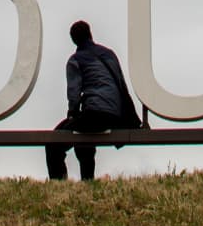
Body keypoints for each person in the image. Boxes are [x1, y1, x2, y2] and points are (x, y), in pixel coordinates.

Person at [45, 19, 141, 181]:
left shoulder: (75, 60)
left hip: (95, 114)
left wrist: (72, 113)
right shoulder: (109, 54)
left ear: (73, 40)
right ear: (90, 34)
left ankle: (60, 185)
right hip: (117, 116)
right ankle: (87, 182)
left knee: (53, 142)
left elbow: (74, 93)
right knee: (82, 132)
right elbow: (121, 84)